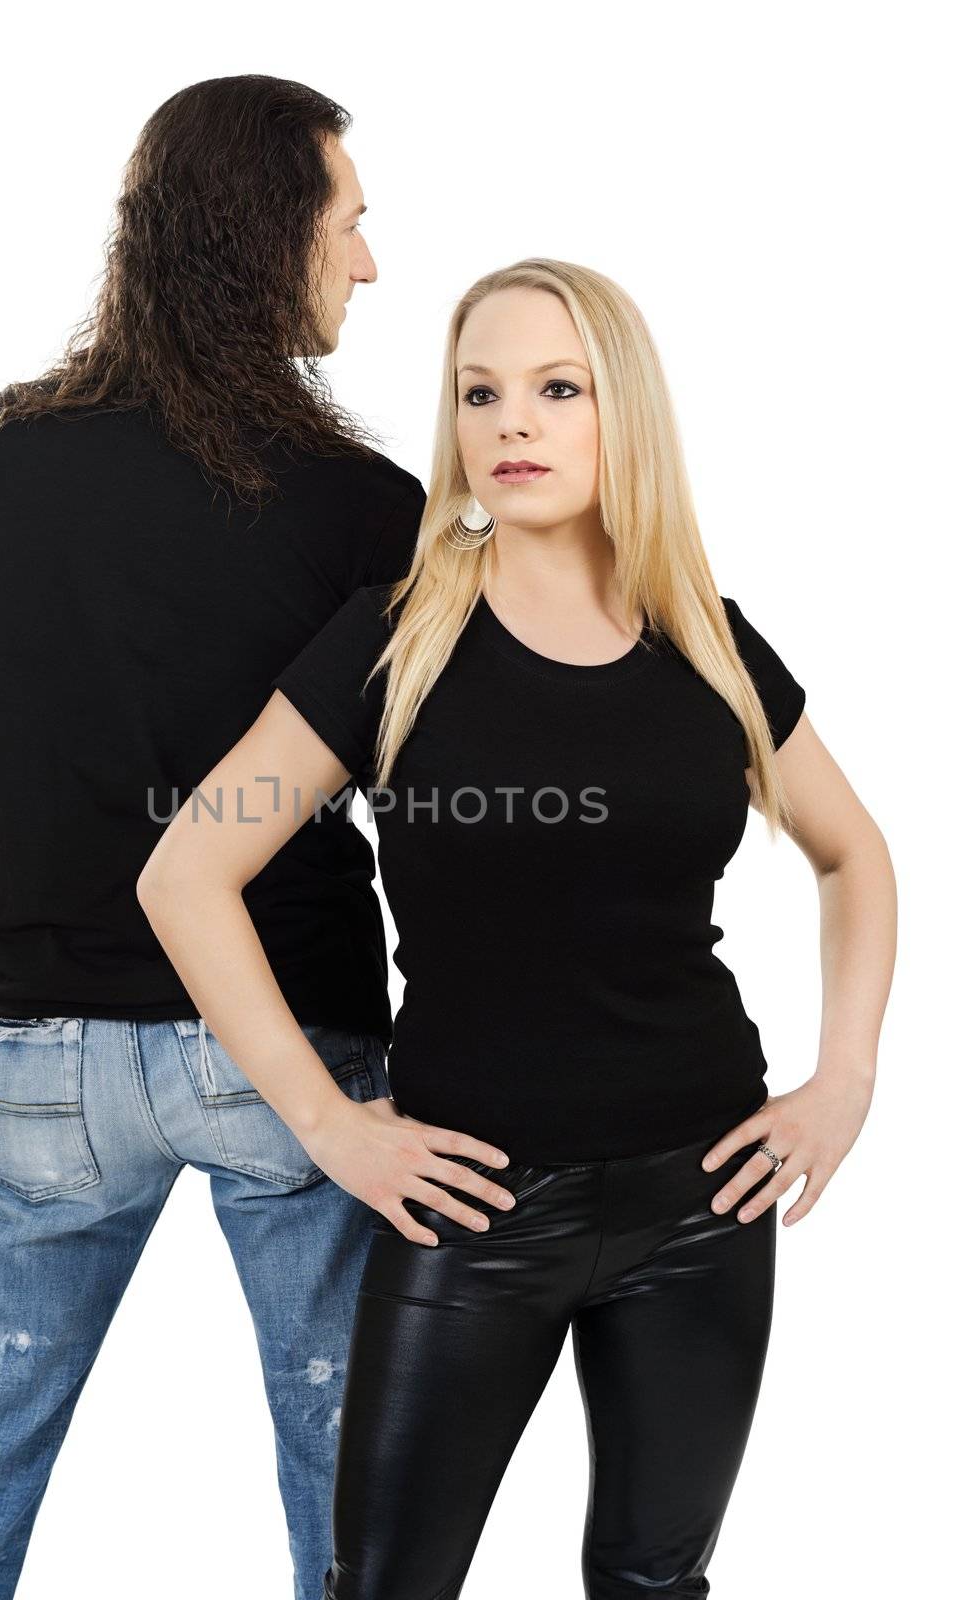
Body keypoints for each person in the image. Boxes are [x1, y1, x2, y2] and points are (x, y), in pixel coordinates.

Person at [137, 258, 896, 1597]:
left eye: (557, 388)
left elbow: (856, 855)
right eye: (480, 393)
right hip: (473, 1209)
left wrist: (845, 1080)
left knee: (654, 1584)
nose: (512, 425)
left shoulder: (712, 647)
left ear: (626, 416)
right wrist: (330, 1124)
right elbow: (187, 872)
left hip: (702, 1202)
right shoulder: (391, 643)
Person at [0, 75, 437, 1600]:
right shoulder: (370, 508)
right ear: (269, 238)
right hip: (295, 1058)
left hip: (48, 1053)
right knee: (353, 1511)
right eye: (350, 221)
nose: (368, 264)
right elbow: (436, 813)